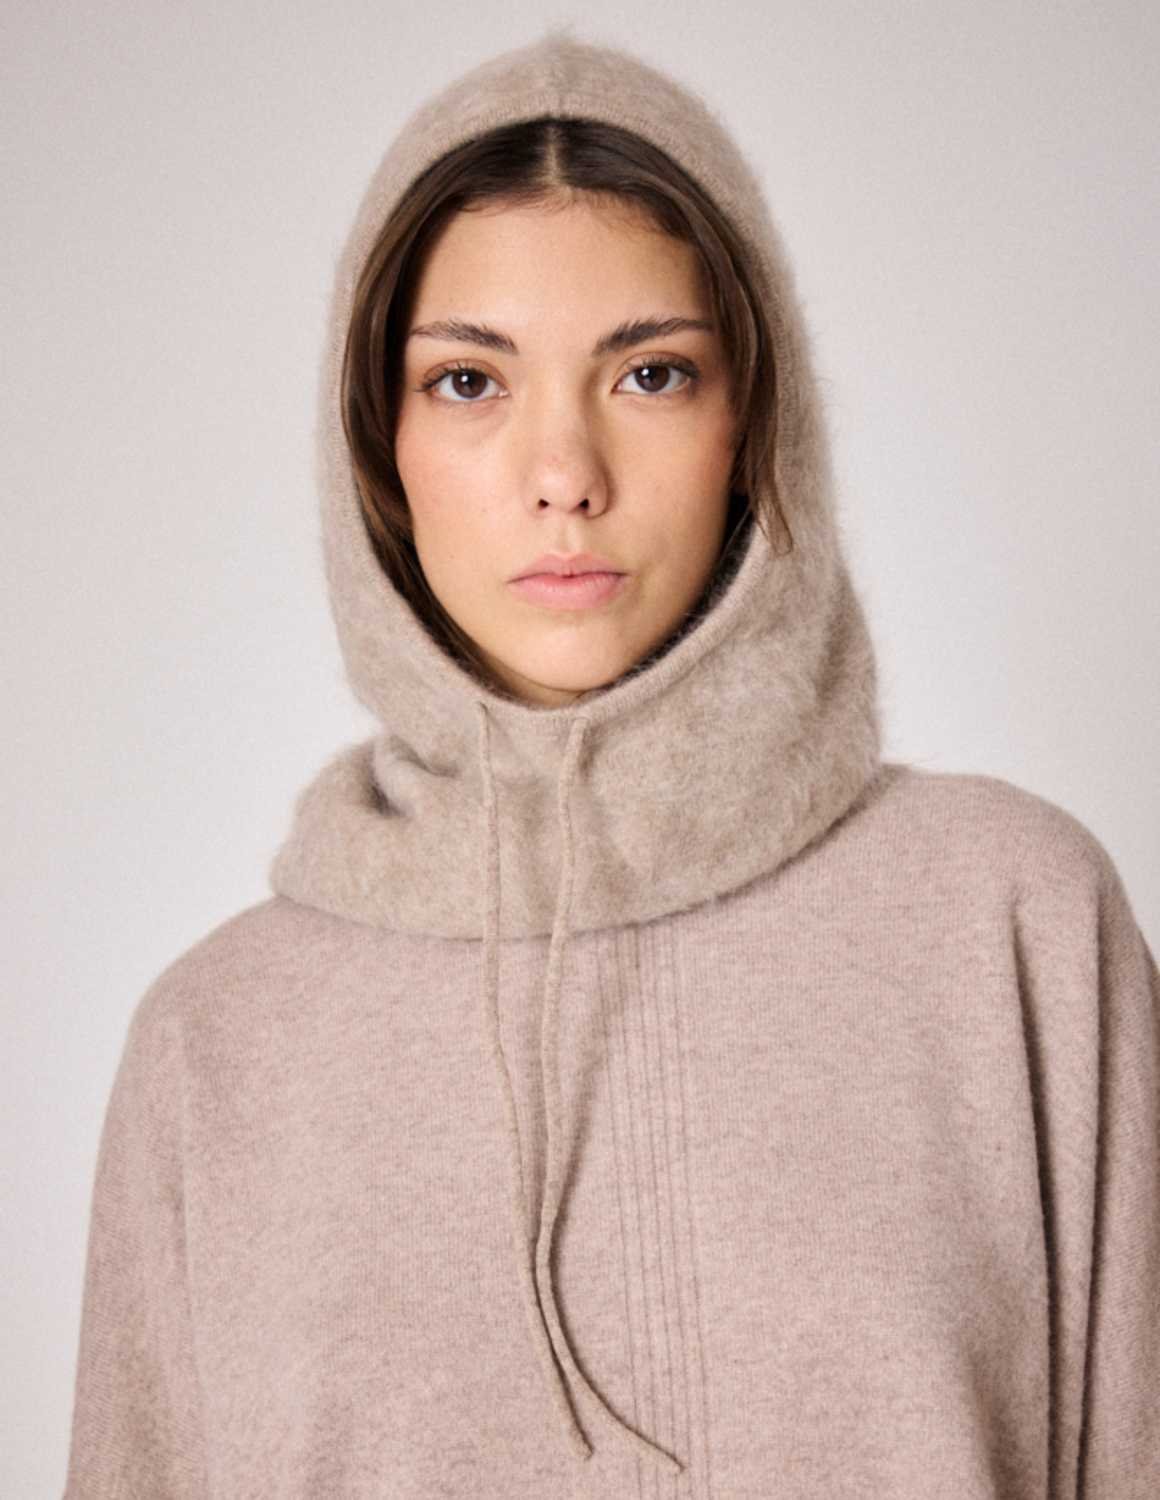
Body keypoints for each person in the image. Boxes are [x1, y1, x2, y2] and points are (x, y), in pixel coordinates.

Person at [62, 28, 1158, 1499]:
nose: (564, 474)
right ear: (375, 445)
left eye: (650, 373)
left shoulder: (1015, 926)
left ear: (753, 420)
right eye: (469, 382)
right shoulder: (218, 1045)